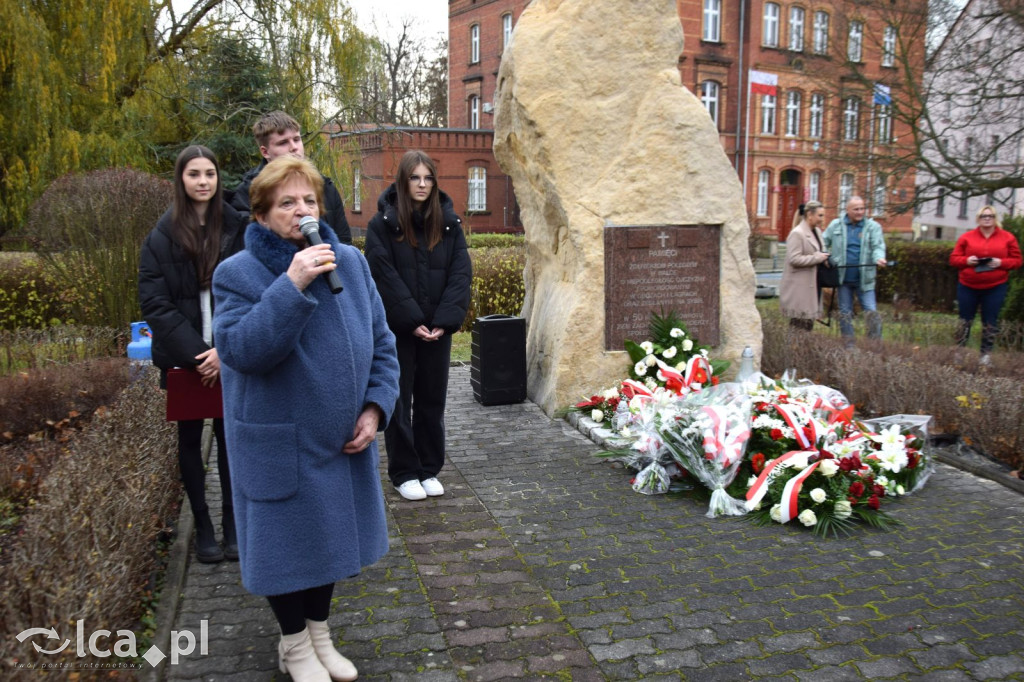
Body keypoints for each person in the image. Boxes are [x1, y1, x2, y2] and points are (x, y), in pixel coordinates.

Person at [213, 156, 399, 682]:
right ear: (262, 213)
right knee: (286, 550)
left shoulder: (352, 263)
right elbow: (242, 350)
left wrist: (375, 407)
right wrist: (290, 285)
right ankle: (294, 645)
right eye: (287, 203)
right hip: (280, 442)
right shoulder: (237, 274)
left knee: (331, 541)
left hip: (341, 442)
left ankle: (319, 634)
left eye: (309, 200)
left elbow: (382, 343)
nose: (302, 211)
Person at [139, 145, 248, 563]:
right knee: (189, 441)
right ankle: (202, 525)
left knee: (229, 440)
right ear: (180, 180)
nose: (203, 181)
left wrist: (226, 349)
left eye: (209, 173)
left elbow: (249, 291)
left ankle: (233, 524)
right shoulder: (161, 236)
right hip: (186, 360)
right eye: (194, 174)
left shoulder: (237, 228)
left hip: (231, 354)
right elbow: (156, 304)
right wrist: (200, 355)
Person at [364, 150, 472, 501]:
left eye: (428, 178)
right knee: (398, 400)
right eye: (415, 178)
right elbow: (383, 275)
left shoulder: (449, 224)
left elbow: (460, 274)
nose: (422, 184)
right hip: (399, 331)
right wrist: (411, 320)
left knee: (431, 400)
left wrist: (444, 321)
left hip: (437, 331)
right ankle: (404, 471)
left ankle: (428, 468)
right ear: (403, 181)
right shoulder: (382, 225)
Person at [229, 110, 352, 244]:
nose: (294, 147)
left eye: (297, 139)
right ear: (265, 152)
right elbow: (246, 246)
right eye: (283, 143)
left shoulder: (325, 186)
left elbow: (343, 240)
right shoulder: (248, 194)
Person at [949, 205, 1022, 361]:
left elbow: (1017, 261)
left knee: (990, 321)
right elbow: (954, 259)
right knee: (965, 320)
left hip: (995, 286)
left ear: (995, 219)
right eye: (984, 216)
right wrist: (967, 261)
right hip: (968, 286)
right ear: (978, 219)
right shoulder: (967, 237)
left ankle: (985, 355)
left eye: (990, 216)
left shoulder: (1007, 237)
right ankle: (959, 353)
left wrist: (1000, 263)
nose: (987, 219)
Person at [822, 195, 887, 344]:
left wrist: (879, 258)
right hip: (843, 278)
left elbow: (878, 246)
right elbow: (823, 242)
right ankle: (849, 346)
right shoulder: (836, 225)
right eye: (856, 209)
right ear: (847, 210)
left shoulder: (873, 227)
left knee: (871, 311)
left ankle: (875, 345)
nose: (860, 212)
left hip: (865, 279)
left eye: (862, 208)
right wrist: (826, 257)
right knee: (845, 313)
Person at [780, 201, 832, 331]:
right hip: (799, 288)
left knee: (807, 325)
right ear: (810, 214)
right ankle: (793, 351)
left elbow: (821, 250)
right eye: (820, 215)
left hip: (812, 285)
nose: (822, 219)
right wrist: (817, 258)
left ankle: (802, 350)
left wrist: (826, 258)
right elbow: (794, 259)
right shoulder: (797, 233)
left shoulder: (817, 232)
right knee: (799, 325)